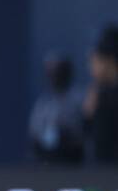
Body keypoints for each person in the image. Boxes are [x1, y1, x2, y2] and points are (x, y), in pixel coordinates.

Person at [28, 56, 86, 164]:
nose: (55, 76)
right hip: (47, 159)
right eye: (51, 72)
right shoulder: (43, 104)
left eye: (59, 71)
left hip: (74, 159)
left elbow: (84, 131)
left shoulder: (80, 99)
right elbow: (34, 133)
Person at [84, 26, 118, 163]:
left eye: (94, 60)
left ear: (109, 60)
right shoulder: (98, 92)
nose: (91, 66)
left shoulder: (105, 97)